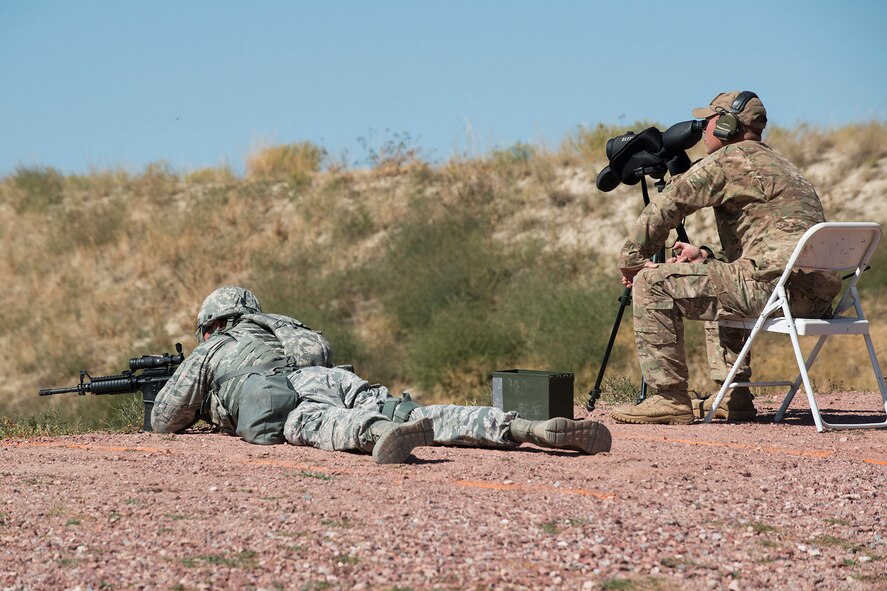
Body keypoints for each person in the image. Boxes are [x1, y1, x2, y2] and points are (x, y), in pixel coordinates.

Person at [152, 286, 612, 463]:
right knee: (414, 409)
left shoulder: (215, 347)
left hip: (277, 396)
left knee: (323, 425)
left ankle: (385, 435)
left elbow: (166, 419)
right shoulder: (284, 323)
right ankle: (520, 425)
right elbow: (322, 352)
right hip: (330, 378)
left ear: (213, 324)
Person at [610, 90, 842, 425]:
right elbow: (775, 243)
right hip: (815, 297)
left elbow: (668, 204)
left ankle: (669, 398)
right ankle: (734, 397)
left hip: (775, 290)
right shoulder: (785, 166)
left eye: (708, 121)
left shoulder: (730, 160)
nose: (703, 129)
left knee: (651, 282)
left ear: (726, 124)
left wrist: (632, 259)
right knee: (714, 274)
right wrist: (705, 255)